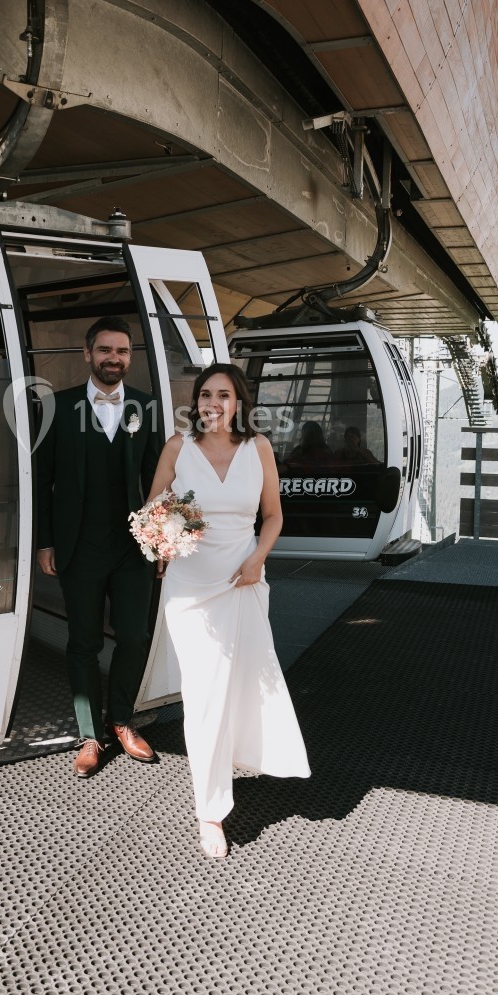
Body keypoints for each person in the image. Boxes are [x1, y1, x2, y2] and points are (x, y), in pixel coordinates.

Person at [148, 363, 310, 859]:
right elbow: (153, 507)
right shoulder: (178, 448)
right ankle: (210, 812)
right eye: (205, 395)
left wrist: (258, 559)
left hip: (243, 582)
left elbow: (274, 515)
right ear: (195, 402)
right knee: (205, 693)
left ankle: (238, 759)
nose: (213, 403)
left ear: (239, 401)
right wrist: (165, 541)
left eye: (223, 395)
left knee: (243, 683)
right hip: (191, 588)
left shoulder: (258, 449)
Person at [36, 316, 164, 779]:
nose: (115, 358)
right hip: (79, 547)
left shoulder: (147, 408)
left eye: (123, 351)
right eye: (106, 350)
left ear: (130, 357)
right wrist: (45, 541)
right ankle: (91, 733)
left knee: (134, 637)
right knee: (84, 642)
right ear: (87, 354)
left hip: (134, 550)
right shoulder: (58, 406)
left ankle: (123, 720)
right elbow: (42, 481)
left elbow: (157, 481)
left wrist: (163, 539)